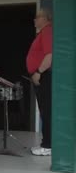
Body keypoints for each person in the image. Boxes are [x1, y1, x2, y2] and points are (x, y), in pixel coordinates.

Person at [27, 8, 53, 156]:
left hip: (43, 75)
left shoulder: (47, 31)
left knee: (46, 110)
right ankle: (47, 143)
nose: (34, 20)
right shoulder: (43, 33)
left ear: (46, 18)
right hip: (41, 75)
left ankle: (48, 145)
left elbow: (50, 55)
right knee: (44, 110)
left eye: (38, 17)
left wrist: (38, 72)